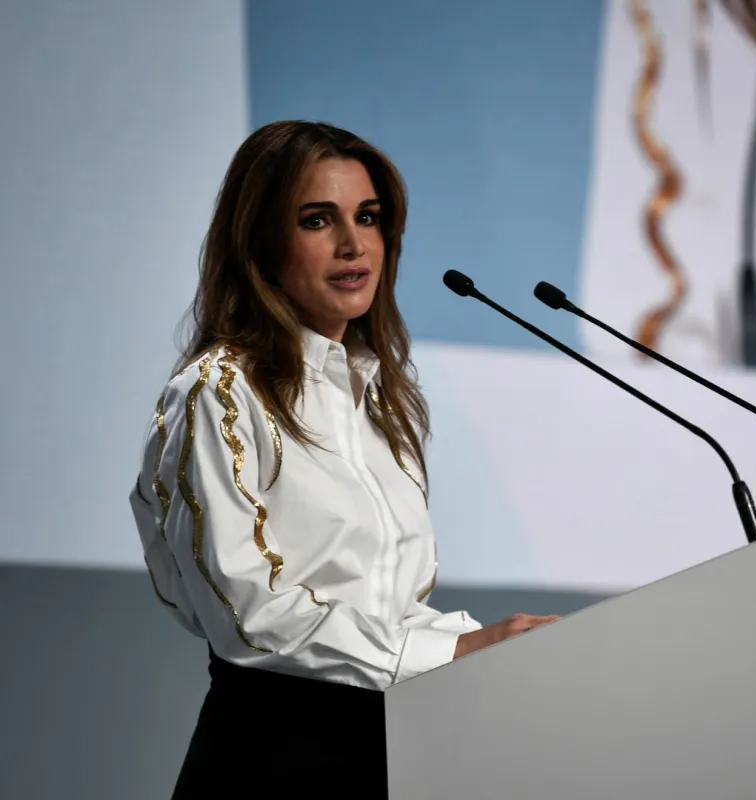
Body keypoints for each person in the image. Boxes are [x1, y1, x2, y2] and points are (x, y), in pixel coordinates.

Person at [129, 120, 559, 797]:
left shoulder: (380, 398)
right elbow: (248, 614)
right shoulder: (220, 392)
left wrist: (503, 646)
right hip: (272, 757)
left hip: (393, 753)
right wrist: (459, 651)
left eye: (369, 218)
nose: (354, 244)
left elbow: (387, 610)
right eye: (317, 220)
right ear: (262, 240)